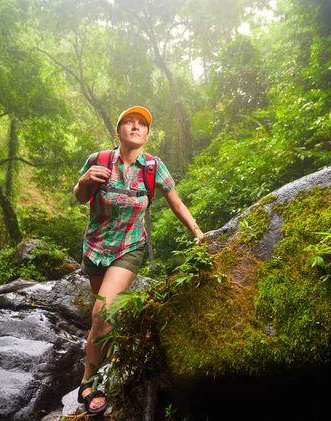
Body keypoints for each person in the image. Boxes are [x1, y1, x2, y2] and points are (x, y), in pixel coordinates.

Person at [73, 106, 205, 415]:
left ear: (146, 134)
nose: (135, 127)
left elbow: (176, 201)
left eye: (142, 124)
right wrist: (84, 179)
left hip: (130, 247)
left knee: (102, 311)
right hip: (95, 248)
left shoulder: (153, 167)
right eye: (129, 122)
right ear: (118, 131)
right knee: (103, 316)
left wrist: (197, 231)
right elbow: (80, 197)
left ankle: (87, 380)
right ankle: (113, 352)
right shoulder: (99, 160)